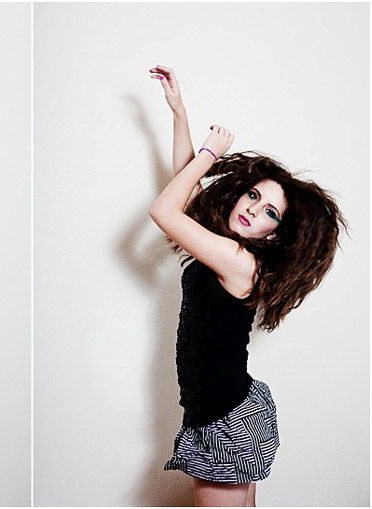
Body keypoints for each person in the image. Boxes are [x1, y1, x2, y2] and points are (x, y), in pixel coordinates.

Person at [147, 65, 345, 507]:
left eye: (271, 213)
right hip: (225, 410)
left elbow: (164, 211)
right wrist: (179, 112)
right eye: (254, 196)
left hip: (225, 420)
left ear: (274, 234)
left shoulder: (242, 263)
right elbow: (184, 187)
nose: (256, 211)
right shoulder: (226, 247)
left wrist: (212, 154)